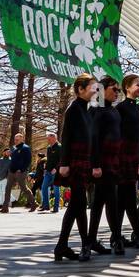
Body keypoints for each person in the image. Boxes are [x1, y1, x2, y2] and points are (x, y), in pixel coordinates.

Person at [54, 74, 98, 261]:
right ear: (80, 89)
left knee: (77, 205)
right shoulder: (73, 109)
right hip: (74, 162)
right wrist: (64, 164)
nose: (96, 90)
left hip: (83, 161)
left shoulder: (86, 110)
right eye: (92, 87)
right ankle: (81, 244)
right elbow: (66, 136)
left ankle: (63, 245)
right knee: (78, 204)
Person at [86, 76, 126, 256]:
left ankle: (93, 240)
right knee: (109, 201)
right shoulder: (96, 110)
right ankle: (115, 239)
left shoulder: (114, 111)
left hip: (113, 162)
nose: (117, 92)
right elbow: (93, 139)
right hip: (102, 163)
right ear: (103, 90)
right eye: (114, 89)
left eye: (118, 90)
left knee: (101, 202)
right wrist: (95, 165)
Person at [116, 74, 139, 247]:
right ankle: (128, 234)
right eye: (138, 85)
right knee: (124, 197)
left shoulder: (138, 109)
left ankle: (130, 234)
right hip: (123, 156)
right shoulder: (120, 108)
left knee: (128, 196)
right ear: (127, 87)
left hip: (134, 155)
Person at [2, 132, 32, 212]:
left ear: (22, 139)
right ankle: (5, 208)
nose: (15, 141)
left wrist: (21, 169)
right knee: (7, 188)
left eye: (17, 139)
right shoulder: (13, 148)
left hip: (20, 172)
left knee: (24, 188)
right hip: (12, 171)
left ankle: (34, 203)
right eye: (15, 139)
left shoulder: (26, 148)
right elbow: (12, 159)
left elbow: (28, 161)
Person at [41, 132, 62, 212]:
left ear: (54, 138)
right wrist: (45, 169)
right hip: (48, 172)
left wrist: (56, 169)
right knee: (43, 187)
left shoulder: (60, 147)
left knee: (56, 189)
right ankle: (46, 206)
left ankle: (56, 208)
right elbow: (48, 160)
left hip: (56, 172)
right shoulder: (49, 148)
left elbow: (62, 160)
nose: (48, 140)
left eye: (49, 139)